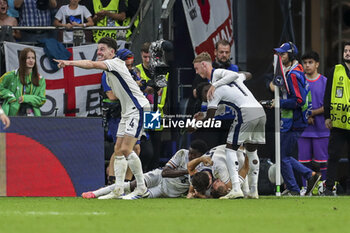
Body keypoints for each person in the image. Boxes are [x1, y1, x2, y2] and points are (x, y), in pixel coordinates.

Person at [54, 37, 150, 200]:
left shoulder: (114, 63)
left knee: (127, 149)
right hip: (128, 111)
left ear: (112, 52)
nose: (99, 52)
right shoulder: (109, 71)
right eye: (98, 49)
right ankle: (119, 189)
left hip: (138, 108)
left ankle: (141, 188)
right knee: (118, 150)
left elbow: (90, 64)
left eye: (103, 49)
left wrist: (69, 63)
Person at [192, 52, 266, 199]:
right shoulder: (235, 80)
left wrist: (198, 124)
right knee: (251, 151)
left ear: (204, 65)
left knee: (230, 149)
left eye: (196, 68)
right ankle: (253, 191)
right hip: (259, 112)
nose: (196, 72)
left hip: (245, 114)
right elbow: (247, 74)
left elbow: (212, 116)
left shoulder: (214, 86)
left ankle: (236, 189)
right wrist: (204, 115)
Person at [270, 42, 321, 196]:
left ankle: (295, 188)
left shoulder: (293, 74)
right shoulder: (295, 70)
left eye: (283, 54)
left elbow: (298, 100)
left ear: (291, 55)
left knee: (282, 157)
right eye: (279, 54)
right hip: (295, 120)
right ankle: (309, 176)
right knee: (282, 155)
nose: (280, 57)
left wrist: (279, 103)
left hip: (294, 120)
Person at [81, 140, 208, 199]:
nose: (190, 156)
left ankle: (110, 197)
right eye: (190, 153)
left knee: (137, 197)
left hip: (167, 191)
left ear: (201, 155)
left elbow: (198, 188)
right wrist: (187, 171)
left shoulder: (204, 168)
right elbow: (165, 172)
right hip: (159, 177)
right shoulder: (182, 153)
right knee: (131, 185)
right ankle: (95, 193)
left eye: (194, 155)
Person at [298, 51, 329, 190]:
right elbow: (296, 102)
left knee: (323, 161)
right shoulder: (299, 81)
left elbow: (327, 105)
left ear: (317, 64)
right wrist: (306, 116)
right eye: (305, 63)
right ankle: (306, 187)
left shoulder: (325, 81)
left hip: (321, 129)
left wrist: (311, 113)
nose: (307, 65)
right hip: (303, 129)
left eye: (310, 62)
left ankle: (324, 186)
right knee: (303, 161)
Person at [135, 42, 169, 170]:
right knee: (143, 150)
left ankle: (152, 178)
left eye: (150, 57)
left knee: (155, 152)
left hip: (156, 114)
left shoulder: (162, 70)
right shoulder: (136, 70)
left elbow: (161, 90)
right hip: (141, 113)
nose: (148, 60)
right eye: (145, 57)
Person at [323, 41, 350, 196]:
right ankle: (329, 187)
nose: (347, 53)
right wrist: (327, 116)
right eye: (345, 50)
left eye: (349, 50)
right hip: (338, 122)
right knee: (333, 156)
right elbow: (328, 94)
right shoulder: (335, 70)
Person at [0, 48, 46, 116]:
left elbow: (42, 100)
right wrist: (9, 95)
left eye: (33, 58)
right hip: (11, 115)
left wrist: (26, 98)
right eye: (28, 58)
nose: (31, 60)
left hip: (33, 117)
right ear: (22, 60)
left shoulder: (40, 79)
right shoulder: (11, 75)